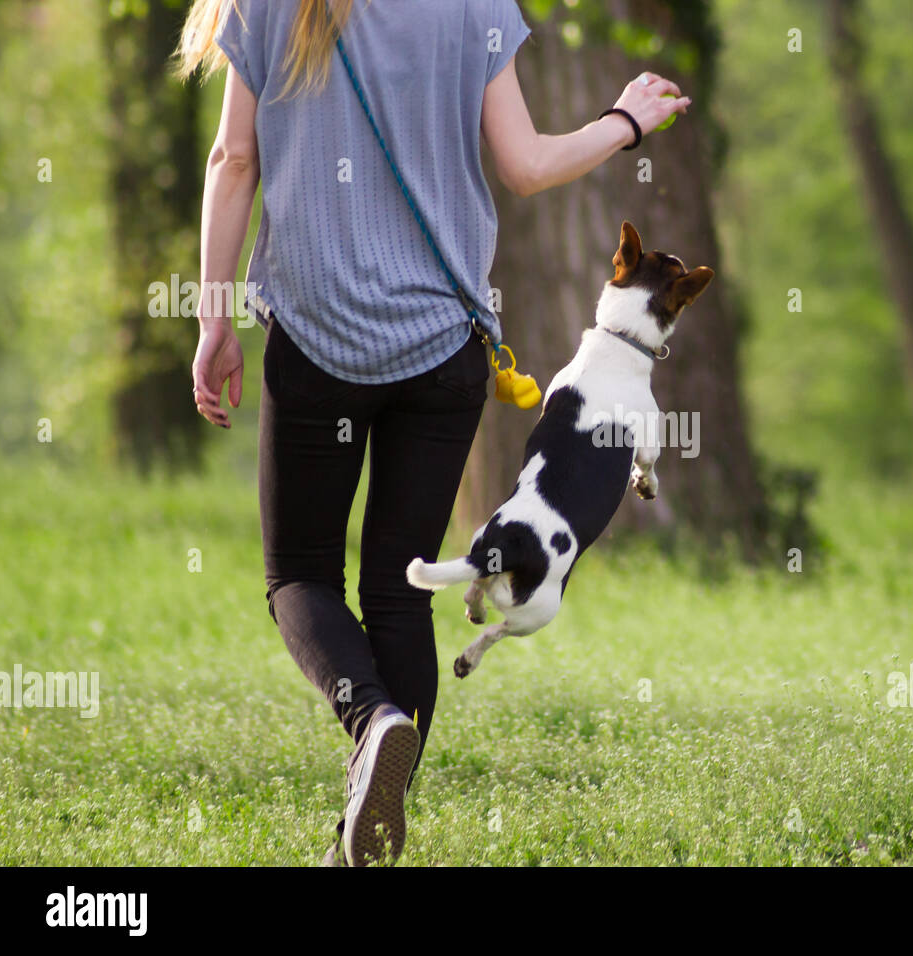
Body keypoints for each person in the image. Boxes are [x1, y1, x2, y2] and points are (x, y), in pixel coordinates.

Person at [175, 0, 688, 866]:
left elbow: (233, 161)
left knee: (298, 574)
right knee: (398, 586)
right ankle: (370, 824)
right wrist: (623, 122)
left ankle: (372, 720)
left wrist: (213, 315)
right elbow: (525, 167)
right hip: (443, 345)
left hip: (317, 342)